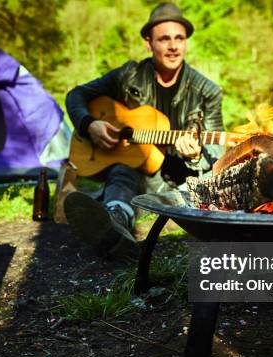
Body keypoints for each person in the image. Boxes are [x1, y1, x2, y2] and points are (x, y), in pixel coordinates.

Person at [64, 3, 224, 259]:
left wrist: (195, 157)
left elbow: (218, 150)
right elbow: (77, 95)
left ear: (185, 42)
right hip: (130, 170)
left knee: (196, 185)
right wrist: (89, 125)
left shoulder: (207, 91)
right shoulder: (128, 75)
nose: (173, 46)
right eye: (164, 39)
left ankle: (112, 213)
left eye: (179, 38)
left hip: (176, 177)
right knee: (123, 170)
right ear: (149, 43)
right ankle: (115, 226)